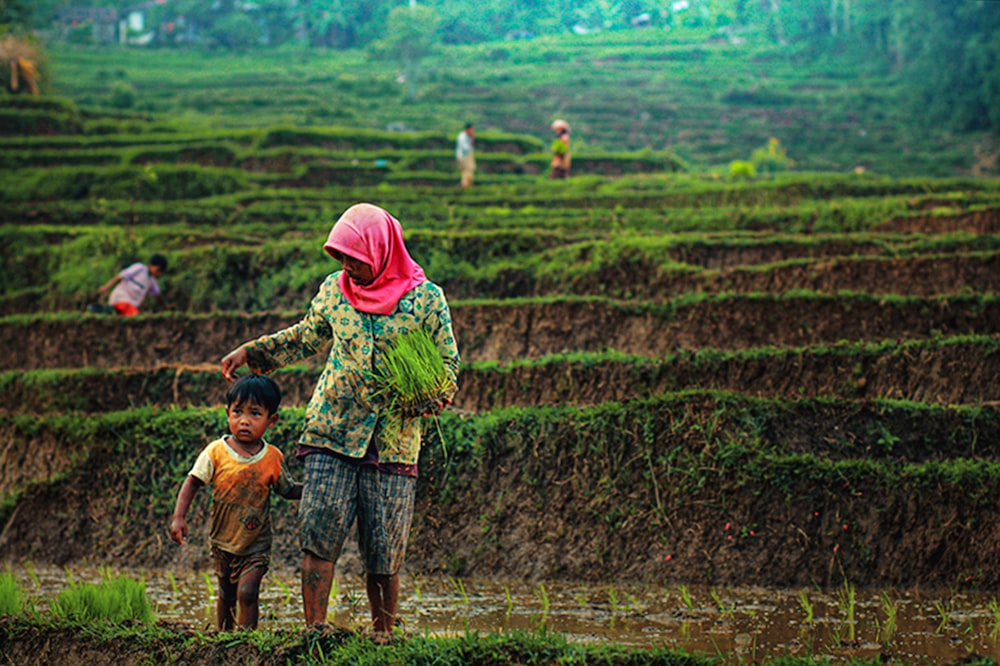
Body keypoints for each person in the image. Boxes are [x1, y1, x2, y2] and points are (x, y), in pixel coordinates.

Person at [219, 202, 460, 636]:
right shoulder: (335, 290)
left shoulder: (425, 299)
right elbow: (305, 336)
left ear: (382, 250)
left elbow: (448, 363)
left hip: (393, 440)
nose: (349, 266)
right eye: (343, 256)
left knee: (384, 550)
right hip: (331, 431)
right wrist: (252, 352)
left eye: (357, 257)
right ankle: (317, 631)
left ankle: (383, 633)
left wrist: (435, 396)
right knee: (319, 534)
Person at [169, 374, 302, 630]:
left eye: (254, 414)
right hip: (223, 542)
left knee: (248, 592)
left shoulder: (272, 457)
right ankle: (225, 639)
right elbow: (193, 482)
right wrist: (179, 517)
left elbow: (287, 490)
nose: (244, 420)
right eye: (238, 412)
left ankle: (246, 641)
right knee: (227, 595)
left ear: (271, 420)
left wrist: (315, 490)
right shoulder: (216, 452)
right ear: (227, 413)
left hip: (255, 544)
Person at [91, 253, 167, 316]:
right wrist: (106, 287)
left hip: (132, 305)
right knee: (134, 315)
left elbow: (158, 295)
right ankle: (104, 310)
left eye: (161, 272)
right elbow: (120, 276)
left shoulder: (152, 281)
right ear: (150, 265)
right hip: (121, 297)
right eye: (158, 270)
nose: (159, 274)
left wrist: (164, 307)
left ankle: (105, 311)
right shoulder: (140, 268)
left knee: (131, 314)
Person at [455, 122, 475, 188]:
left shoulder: (467, 136)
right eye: (471, 130)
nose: (472, 131)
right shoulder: (462, 137)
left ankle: (467, 185)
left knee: (470, 171)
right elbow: (465, 148)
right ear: (468, 129)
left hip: (467, 156)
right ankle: (465, 185)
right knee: (466, 171)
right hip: (463, 157)